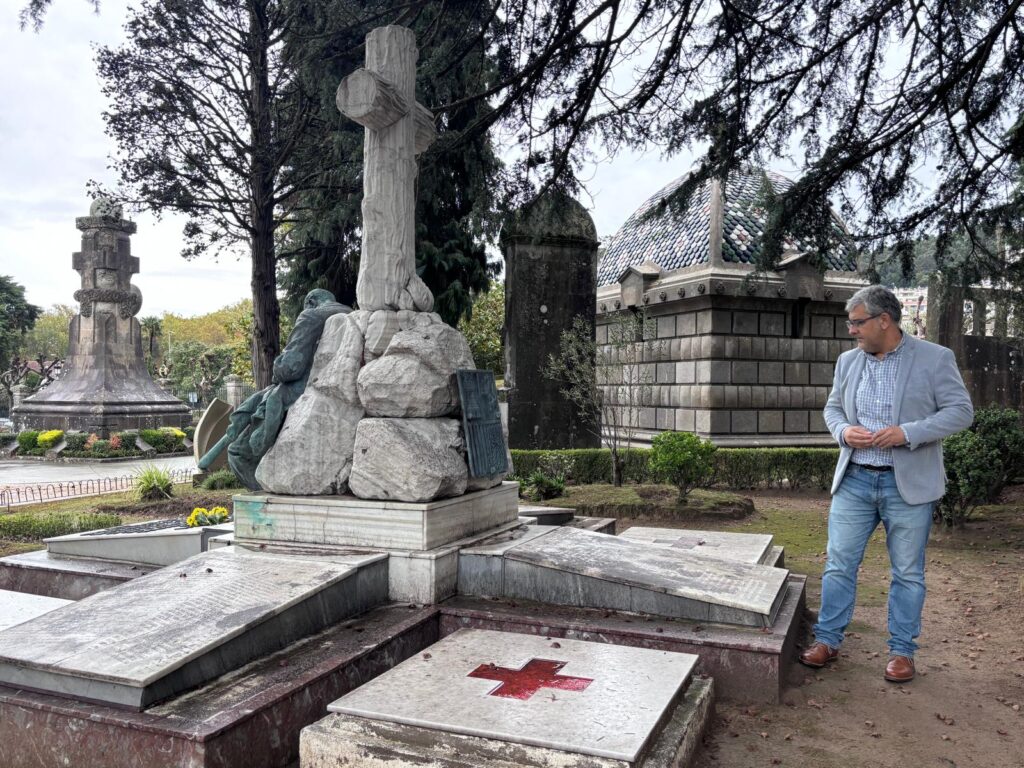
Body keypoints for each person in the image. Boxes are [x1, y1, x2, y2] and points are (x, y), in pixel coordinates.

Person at [800, 284, 973, 682]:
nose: (852, 330)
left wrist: (907, 433)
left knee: (908, 572)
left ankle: (902, 652)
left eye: (858, 323)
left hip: (907, 485)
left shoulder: (934, 358)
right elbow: (832, 407)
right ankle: (827, 640)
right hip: (855, 480)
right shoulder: (847, 362)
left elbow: (961, 412)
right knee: (839, 564)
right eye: (850, 323)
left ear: (884, 320)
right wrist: (843, 431)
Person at [198, 289, 349, 489]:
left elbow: (290, 368)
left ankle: (267, 501)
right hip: (341, 388)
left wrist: (277, 370)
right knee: (254, 404)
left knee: (238, 453)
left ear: (311, 301)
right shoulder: (351, 314)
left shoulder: (312, 315)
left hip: (301, 392)